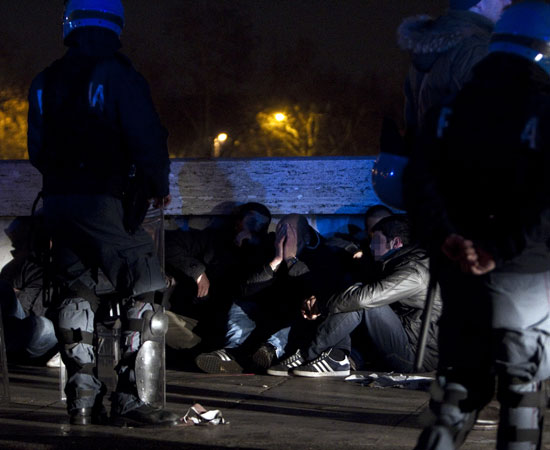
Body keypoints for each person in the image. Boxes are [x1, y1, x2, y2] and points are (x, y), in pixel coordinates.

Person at [404, 2, 550, 448]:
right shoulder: (544, 112)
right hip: (525, 274)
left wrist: (448, 237)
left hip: (459, 271)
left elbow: (418, 182)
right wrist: (499, 248)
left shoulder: (450, 108)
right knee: (523, 397)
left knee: (455, 392)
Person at [27, 0, 179, 427]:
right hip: (104, 198)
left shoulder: (44, 79)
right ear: (115, 26)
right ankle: (130, 399)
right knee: (144, 279)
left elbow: (35, 149)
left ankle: (81, 401)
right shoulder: (119, 75)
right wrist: (157, 183)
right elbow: (146, 134)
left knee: (77, 285)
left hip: (58, 200)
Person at [267, 215, 441, 377]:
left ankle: (307, 354)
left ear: (396, 242)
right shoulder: (394, 262)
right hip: (398, 338)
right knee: (349, 294)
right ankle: (336, 358)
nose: (371, 246)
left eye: (376, 241)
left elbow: (363, 298)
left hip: (415, 356)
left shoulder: (414, 271)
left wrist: (321, 305)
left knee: (361, 299)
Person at [194, 214, 350, 374]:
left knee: (303, 310)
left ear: (304, 237)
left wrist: (291, 259)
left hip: (297, 317)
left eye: (289, 233)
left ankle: (269, 352)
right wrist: (276, 260)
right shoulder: (269, 247)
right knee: (241, 303)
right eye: (280, 230)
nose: (282, 237)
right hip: (270, 310)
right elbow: (245, 289)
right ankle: (233, 352)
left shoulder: (323, 255)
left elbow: (317, 290)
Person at [164, 202, 273, 349]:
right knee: (158, 320)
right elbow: (169, 243)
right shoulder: (214, 240)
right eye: (251, 222)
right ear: (238, 222)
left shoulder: (264, 252)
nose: (254, 229)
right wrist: (198, 272)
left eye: (261, 227)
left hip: (236, 325)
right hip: (198, 320)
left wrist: (252, 242)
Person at [398, 0, 511, 138]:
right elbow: (485, 125)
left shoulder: (427, 47)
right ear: (478, 3)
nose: (507, 1)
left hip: (432, 156)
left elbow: (413, 128)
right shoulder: (477, 49)